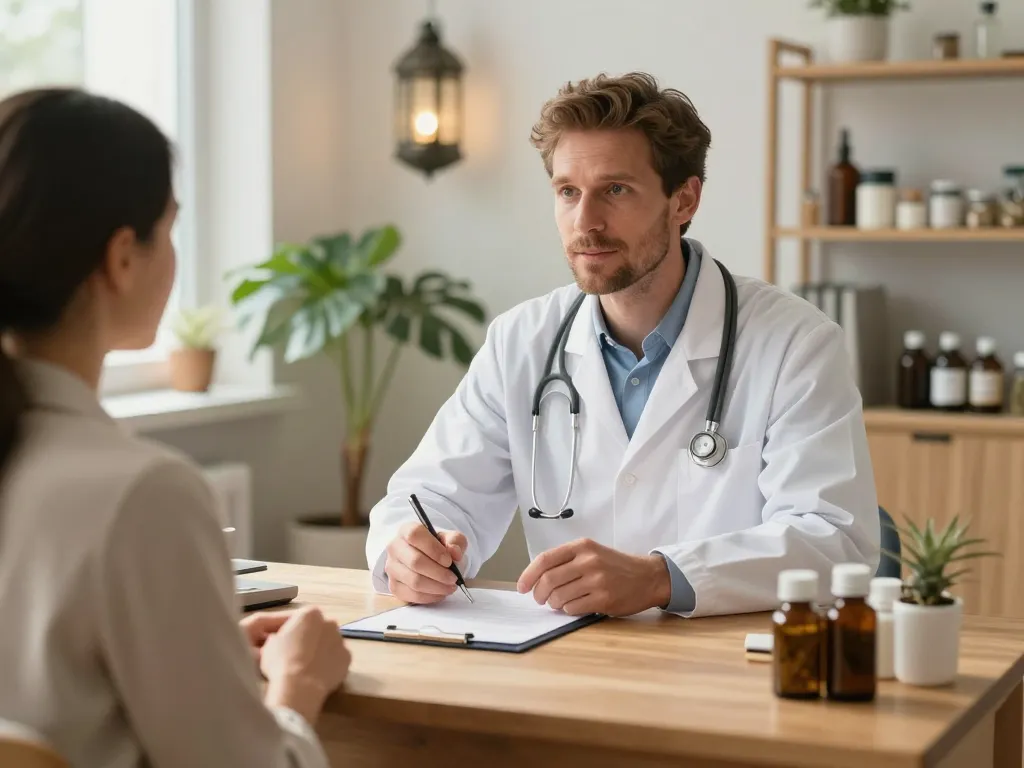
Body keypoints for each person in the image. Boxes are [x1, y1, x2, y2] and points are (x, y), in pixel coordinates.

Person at [365, 72, 879, 618]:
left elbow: (833, 540)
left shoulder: (794, 343)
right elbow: (432, 495)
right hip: (571, 660)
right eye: (568, 192)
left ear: (684, 200)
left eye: (615, 190)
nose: (585, 222)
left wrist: (660, 577)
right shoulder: (521, 341)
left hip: (733, 670)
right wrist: (411, 548)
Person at [0, 88, 350, 766]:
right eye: (170, 227)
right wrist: (297, 685)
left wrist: (198, 651)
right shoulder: (141, 495)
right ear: (122, 256)